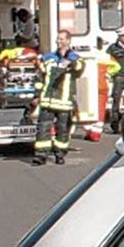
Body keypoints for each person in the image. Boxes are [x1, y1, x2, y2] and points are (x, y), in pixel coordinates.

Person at [32, 30, 84, 166]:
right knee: (43, 129)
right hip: (47, 101)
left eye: (61, 39)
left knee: (63, 130)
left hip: (64, 102)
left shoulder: (75, 58)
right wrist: (36, 95)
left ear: (68, 41)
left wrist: (69, 62)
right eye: (57, 39)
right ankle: (41, 155)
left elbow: (79, 68)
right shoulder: (48, 58)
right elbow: (40, 78)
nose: (58, 41)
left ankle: (59, 154)